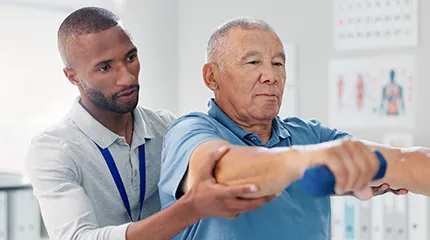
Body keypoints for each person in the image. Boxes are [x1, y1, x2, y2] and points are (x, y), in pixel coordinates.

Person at [159, 18, 427, 240]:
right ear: (211, 77)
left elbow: (404, 162)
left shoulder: (311, 137)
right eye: (253, 63)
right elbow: (222, 172)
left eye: (278, 63)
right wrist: (310, 161)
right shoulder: (191, 130)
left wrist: (360, 166)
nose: (271, 75)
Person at [24, 8, 274, 240]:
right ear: (72, 77)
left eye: (130, 57)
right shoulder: (53, 149)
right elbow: (78, 237)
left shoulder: (168, 127)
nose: (127, 77)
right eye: (105, 67)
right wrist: (191, 209)